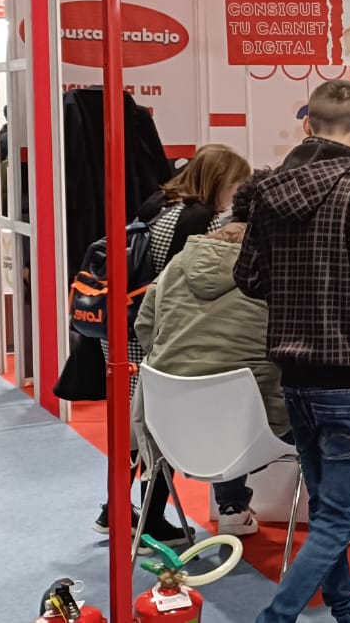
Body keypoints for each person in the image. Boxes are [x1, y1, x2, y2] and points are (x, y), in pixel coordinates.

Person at [237, 80, 350, 623]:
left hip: (295, 378)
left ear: (307, 125)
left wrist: (301, 288)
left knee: (327, 511)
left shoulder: (269, 195)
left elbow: (247, 276)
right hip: (349, 380)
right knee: (338, 520)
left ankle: (348, 609)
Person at [93, 142, 252, 541]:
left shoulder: (157, 205)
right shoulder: (202, 222)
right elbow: (199, 279)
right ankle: (151, 523)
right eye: (235, 184)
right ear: (220, 182)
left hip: (125, 325)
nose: (236, 193)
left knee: (136, 429)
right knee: (159, 429)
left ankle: (113, 509)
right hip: (157, 332)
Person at [133, 169, 285, 539]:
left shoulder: (182, 260)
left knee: (227, 387)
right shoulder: (282, 268)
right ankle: (336, 522)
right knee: (324, 400)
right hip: (251, 429)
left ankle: (232, 505)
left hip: (168, 425)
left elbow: (145, 327)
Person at [139, 144, 252, 275]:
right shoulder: (205, 220)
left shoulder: (161, 202)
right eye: (237, 186)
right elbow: (207, 276)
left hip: (146, 287)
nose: (237, 194)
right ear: (223, 184)